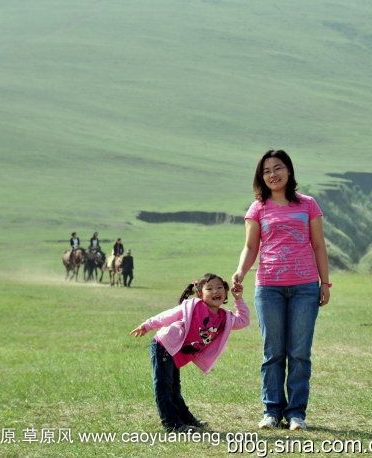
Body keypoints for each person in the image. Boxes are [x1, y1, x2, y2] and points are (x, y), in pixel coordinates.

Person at [232, 149, 330, 431]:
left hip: (304, 288)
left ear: (289, 170)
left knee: (299, 352)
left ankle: (296, 413)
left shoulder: (308, 205)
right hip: (269, 288)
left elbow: (319, 245)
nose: (272, 175)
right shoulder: (258, 208)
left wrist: (325, 283)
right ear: (261, 177)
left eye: (278, 168)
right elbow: (251, 247)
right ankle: (272, 411)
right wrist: (240, 271)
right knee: (273, 352)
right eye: (266, 171)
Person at [130, 274, 249, 431]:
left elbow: (243, 321)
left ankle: (185, 419)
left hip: (177, 352)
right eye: (210, 288)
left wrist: (238, 299)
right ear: (200, 293)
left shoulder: (224, 317)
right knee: (164, 386)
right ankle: (172, 424)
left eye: (220, 287)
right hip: (164, 346)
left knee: (174, 387)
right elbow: (168, 316)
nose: (216, 291)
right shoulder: (193, 307)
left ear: (226, 292)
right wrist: (147, 325)